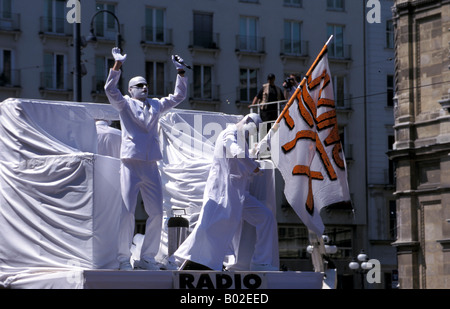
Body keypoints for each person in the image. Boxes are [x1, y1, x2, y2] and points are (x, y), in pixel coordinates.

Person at [104, 47, 188, 270]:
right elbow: (110, 89)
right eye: (139, 85)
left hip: (151, 163)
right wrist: (117, 65)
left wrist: (180, 71)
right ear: (131, 90)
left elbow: (179, 96)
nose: (144, 87)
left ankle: (147, 257)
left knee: (157, 212)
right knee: (126, 211)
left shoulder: (156, 104)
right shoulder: (124, 104)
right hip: (131, 163)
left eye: (145, 85)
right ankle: (123, 257)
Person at [174, 113, 278, 271]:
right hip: (221, 194)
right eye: (254, 129)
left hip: (239, 195)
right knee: (206, 227)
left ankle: (261, 262)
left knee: (266, 217)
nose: (253, 134)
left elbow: (243, 158)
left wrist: (258, 151)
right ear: (247, 120)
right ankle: (180, 259)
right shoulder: (229, 134)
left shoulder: (241, 138)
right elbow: (235, 151)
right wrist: (253, 166)